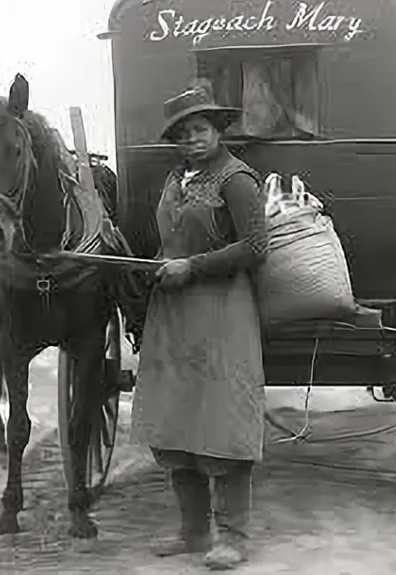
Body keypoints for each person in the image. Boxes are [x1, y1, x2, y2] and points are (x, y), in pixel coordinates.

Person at [130, 79, 269, 571]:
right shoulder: (176, 179)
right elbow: (172, 242)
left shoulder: (237, 179)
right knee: (176, 420)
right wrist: (155, 265)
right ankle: (193, 532)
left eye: (201, 128)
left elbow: (255, 249)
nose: (193, 138)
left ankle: (233, 536)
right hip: (172, 314)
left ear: (218, 130)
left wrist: (192, 267)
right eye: (184, 132)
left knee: (221, 421)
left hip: (222, 311)